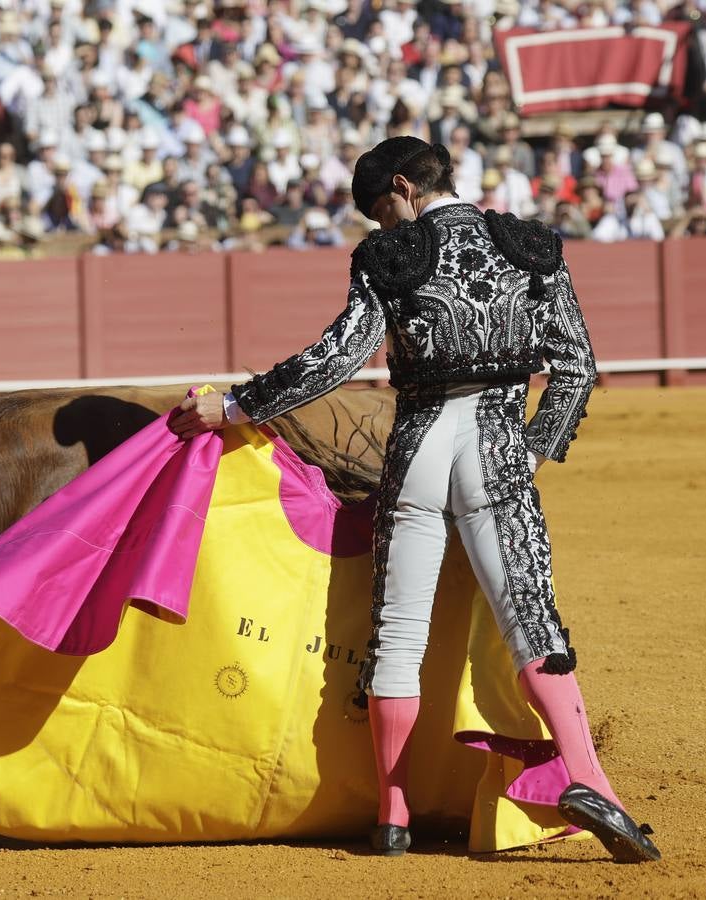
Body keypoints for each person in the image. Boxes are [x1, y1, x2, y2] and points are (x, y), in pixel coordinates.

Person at [169, 136, 661, 864]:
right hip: (495, 442)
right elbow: (577, 366)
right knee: (530, 619)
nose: (384, 227)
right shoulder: (529, 245)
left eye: (382, 211)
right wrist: (529, 450)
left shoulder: (388, 257)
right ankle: (587, 777)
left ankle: (393, 816)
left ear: (403, 186)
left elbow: (338, 356)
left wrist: (237, 405)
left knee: (397, 634)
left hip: (418, 449)